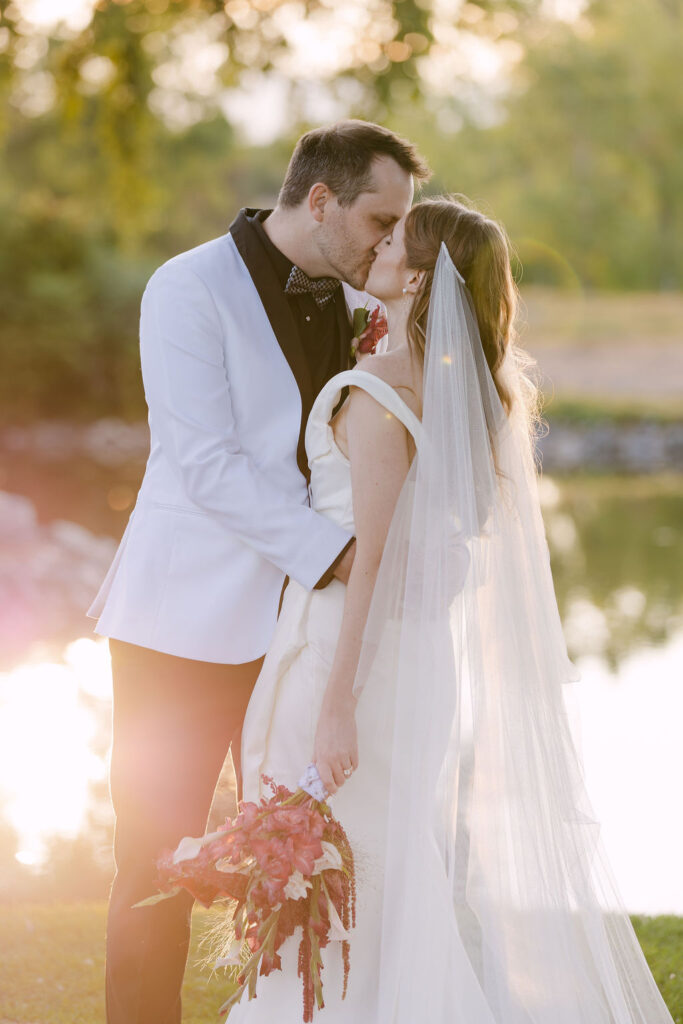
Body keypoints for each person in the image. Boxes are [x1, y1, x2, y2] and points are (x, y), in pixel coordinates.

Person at [228, 196, 676, 1023]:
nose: (379, 243)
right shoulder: (475, 397)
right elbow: (446, 544)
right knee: (387, 863)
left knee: (335, 856)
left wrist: (335, 707)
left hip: (345, 655)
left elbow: (368, 564)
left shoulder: (372, 393)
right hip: (418, 661)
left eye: (394, 237)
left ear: (419, 274)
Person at [86, 120, 431, 1024]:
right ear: (319, 200)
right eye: (376, 219)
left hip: (298, 635)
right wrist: (338, 554)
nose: (387, 241)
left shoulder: (362, 309)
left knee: (303, 849)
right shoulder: (186, 285)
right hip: (182, 626)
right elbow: (201, 461)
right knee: (155, 859)